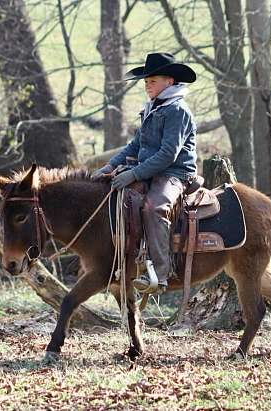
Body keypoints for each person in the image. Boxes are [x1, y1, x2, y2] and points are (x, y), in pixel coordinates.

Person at [92, 52, 197, 293]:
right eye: (146, 81)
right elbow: (135, 145)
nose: (147, 85)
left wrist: (135, 174)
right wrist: (110, 166)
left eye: (152, 81)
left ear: (169, 81)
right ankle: (123, 263)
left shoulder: (177, 111)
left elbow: (168, 154)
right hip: (148, 170)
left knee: (154, 208)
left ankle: (161, 274)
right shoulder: (152, 108)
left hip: (174, 173)